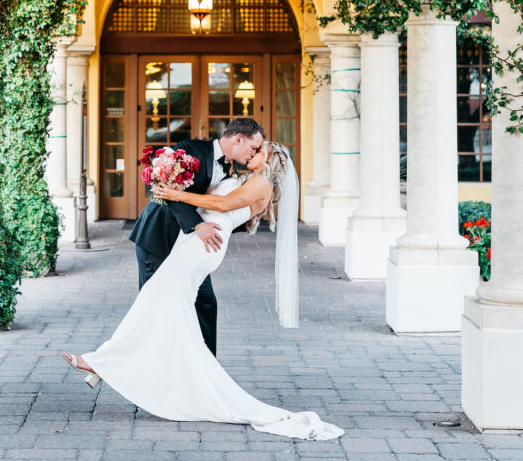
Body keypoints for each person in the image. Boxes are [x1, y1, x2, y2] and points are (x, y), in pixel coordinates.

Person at [62, 142, 344, 440]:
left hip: (203, 247)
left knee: (155, 299)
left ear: (270, 162)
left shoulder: (263, 184)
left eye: (260, 151)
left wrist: (176, 194)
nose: (252, 154)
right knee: (168, 308)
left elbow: (222, 206)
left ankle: (102, 362)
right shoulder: (247, 178)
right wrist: (172, 178)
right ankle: (145, 372)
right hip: (194, 242)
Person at [127, 117, 265, 356]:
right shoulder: (190, 149)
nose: (254, 154)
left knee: (205, 303)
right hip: (158, 238)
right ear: (239, 139)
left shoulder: (232, 168)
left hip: (188, 247)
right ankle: (141, 363)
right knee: (154, 305)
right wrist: (198, 225)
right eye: (253, 148)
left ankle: (205, 368)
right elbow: (164, 190)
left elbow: (219, 206)